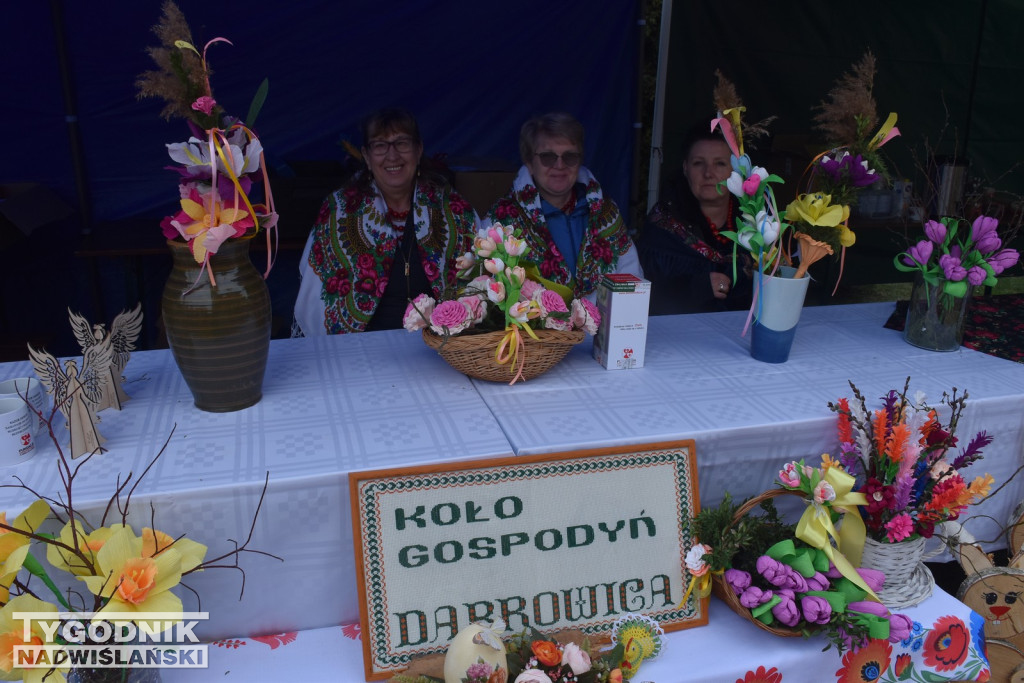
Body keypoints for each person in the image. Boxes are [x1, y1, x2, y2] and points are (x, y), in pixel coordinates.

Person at [293, 108, 478, 334]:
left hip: (437, 345)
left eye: (402, 143)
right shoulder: (339, 209)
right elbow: (318, 301)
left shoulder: (451, 207)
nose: (392, 155)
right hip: (362, 349)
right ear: (367, 156)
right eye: (380, 145)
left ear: (418, 150)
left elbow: (478, 281)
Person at [485, 112, 642, 300]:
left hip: (603, 327)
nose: (560, 165)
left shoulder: (606, 212)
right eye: (548, 157)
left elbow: (631, 276)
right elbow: (491, 289)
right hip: (533, 328)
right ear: (529, 162)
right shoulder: (501, 220)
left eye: (570, 157)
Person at [637, 122, 753, 314]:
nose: (708, 173)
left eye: (720, 164)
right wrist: (695, 287)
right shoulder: (664, 226)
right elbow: (642, 294)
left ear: (736, 171)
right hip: (680, 336)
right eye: (698, 163)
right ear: (685, 168)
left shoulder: (754, 220)